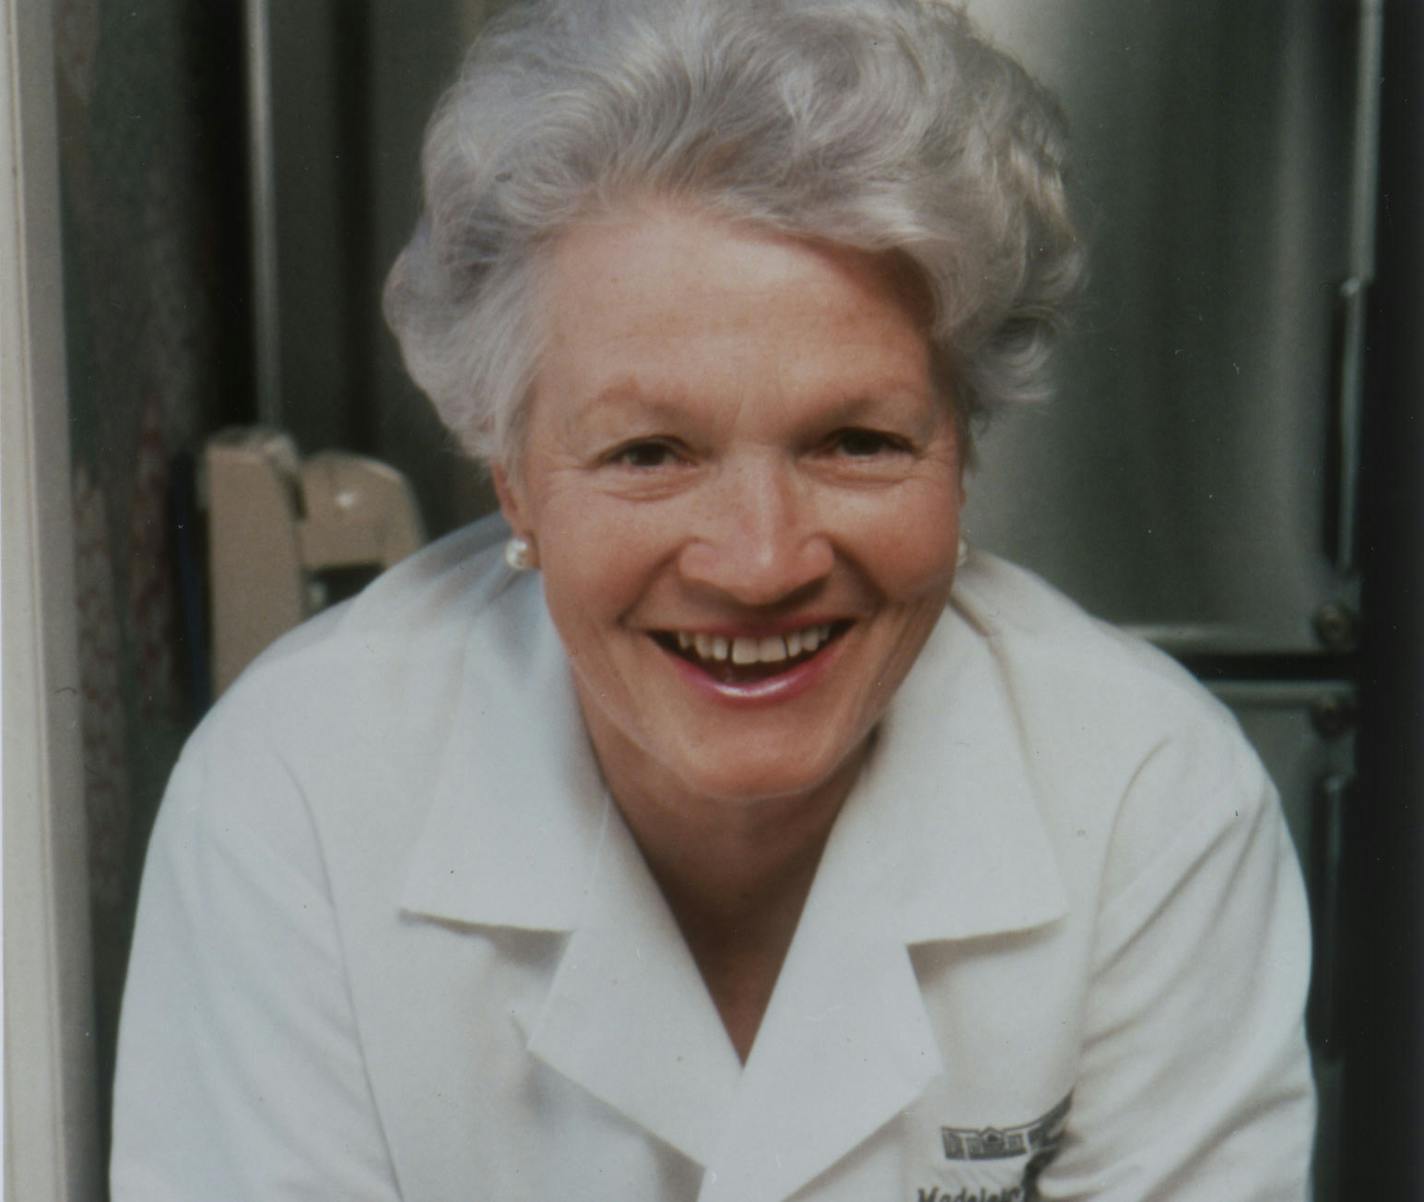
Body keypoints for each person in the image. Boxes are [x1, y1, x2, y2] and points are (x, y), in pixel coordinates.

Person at [110, 1, 1316, 1198]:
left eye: (855, 440)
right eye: (648, 452)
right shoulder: (291, 797)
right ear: (514, 480)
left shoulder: (1151, 795)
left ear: (963, 445)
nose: (759, 560)